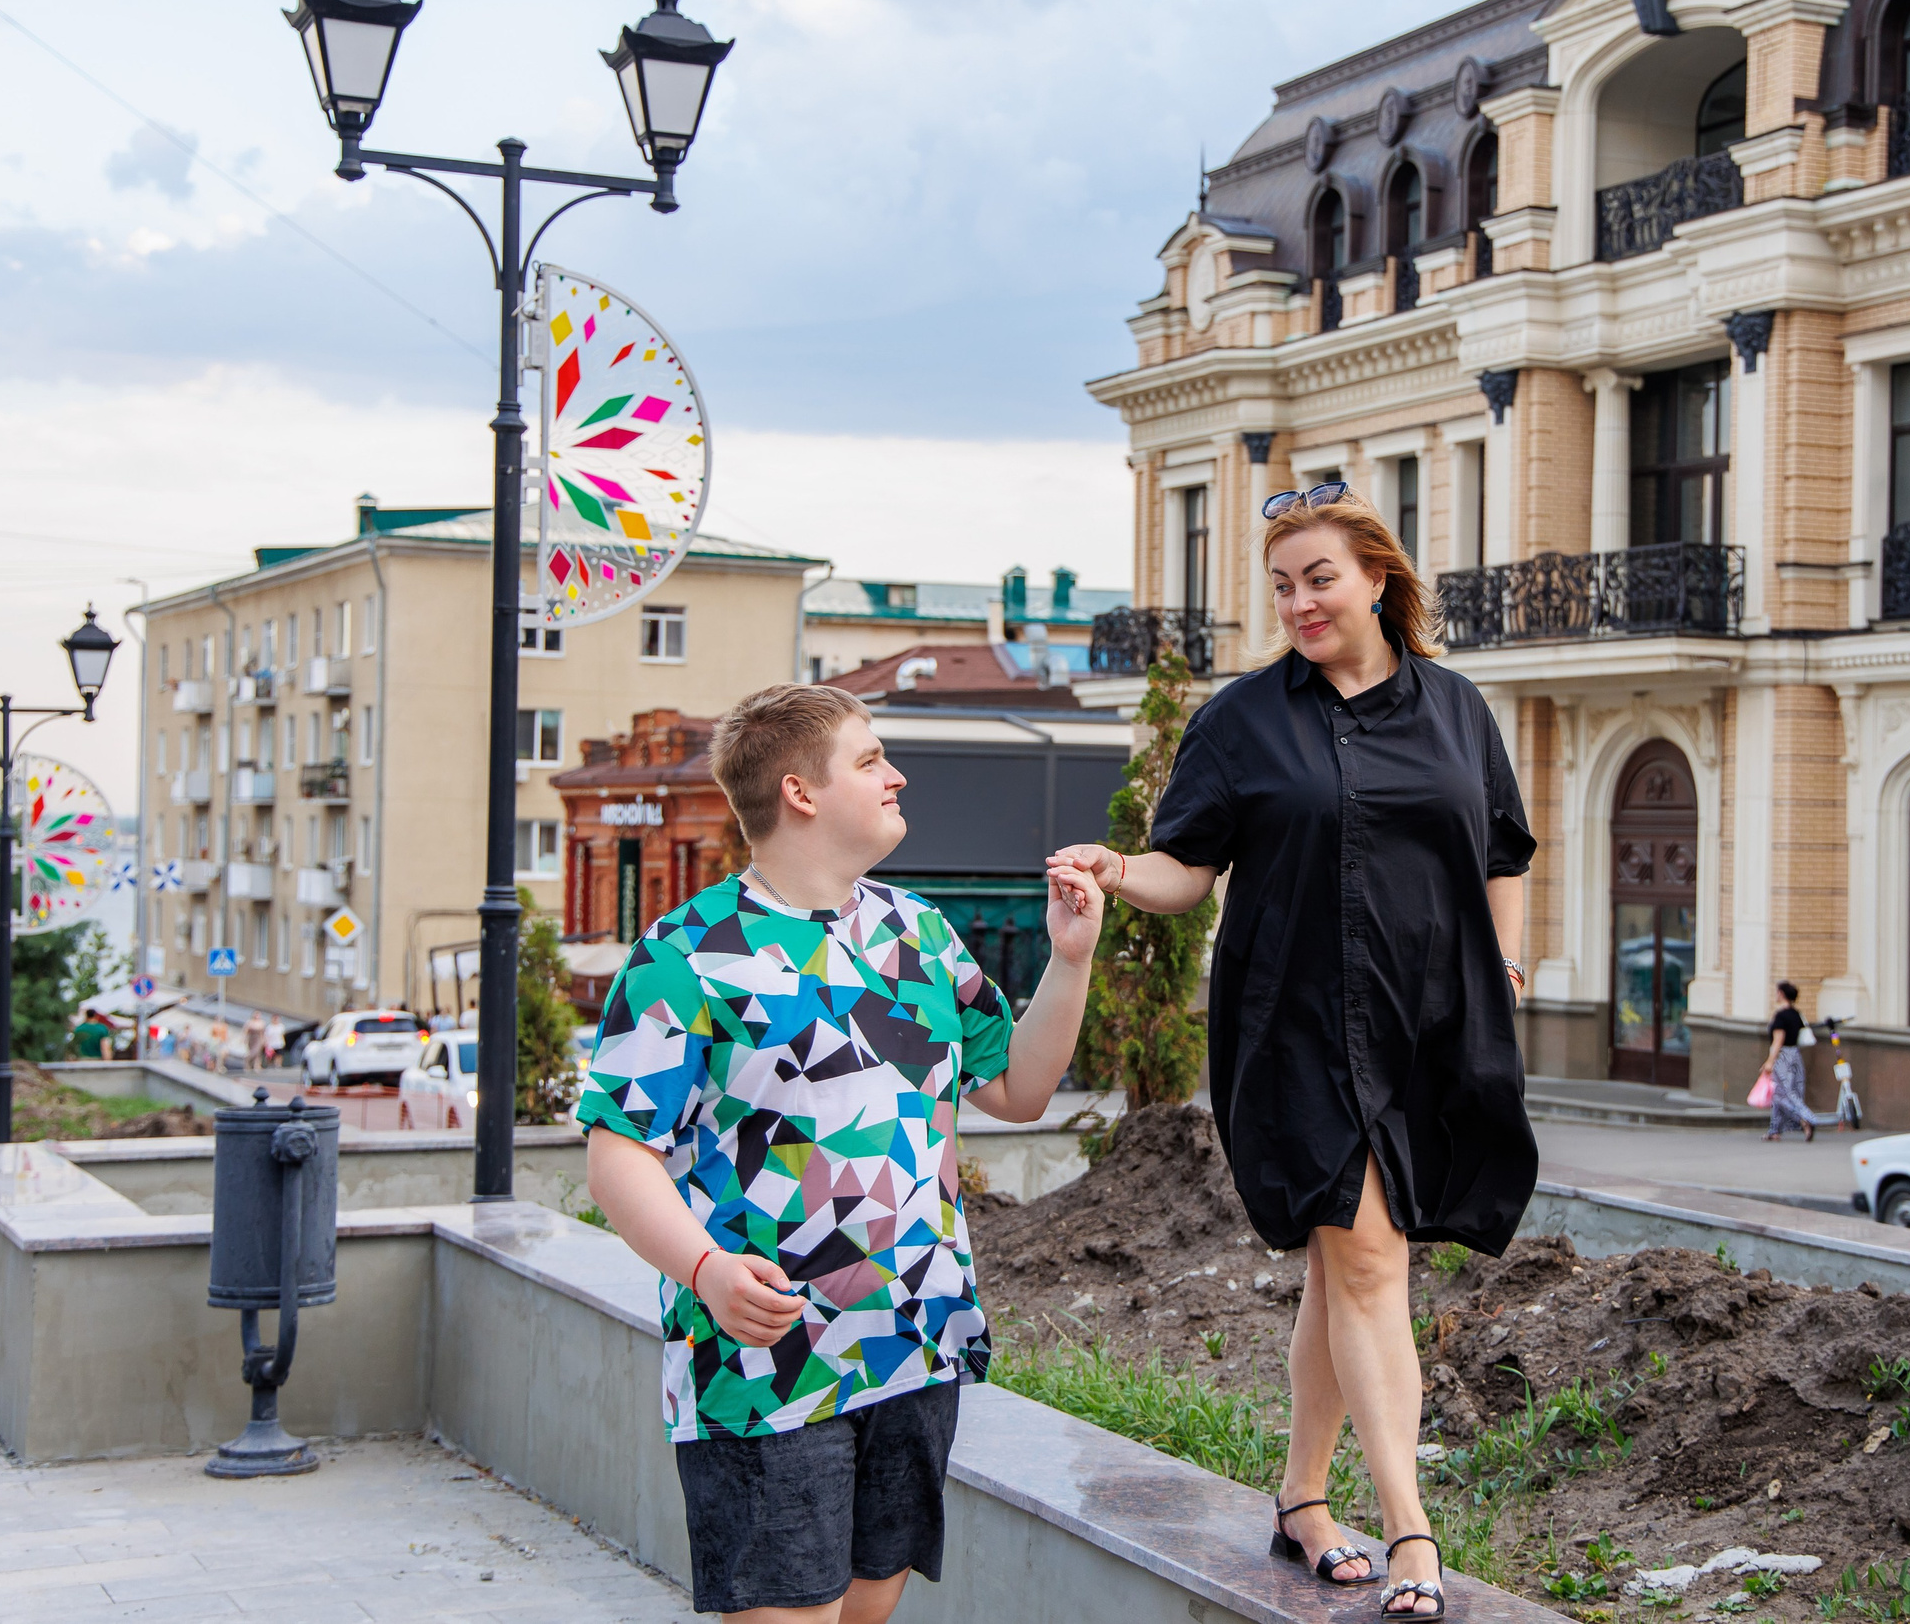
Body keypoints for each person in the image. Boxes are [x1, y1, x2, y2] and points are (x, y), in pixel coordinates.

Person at [1048, 486, 1535, 1621]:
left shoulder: (1458, 709)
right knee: (1370, 1262)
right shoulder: (1243, 720)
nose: (1299, 602)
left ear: (1376, 577)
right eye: (1281, 586)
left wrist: (1504, 973)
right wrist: (1121, 871)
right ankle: (1411, 1526)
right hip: (1295, 1024)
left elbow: (1502, 850)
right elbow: (1185, 870)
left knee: (1341, 1266)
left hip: (1431, 1020)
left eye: (1318, 577)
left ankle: (1301, 1502)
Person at [578, 684, 1104, 1624]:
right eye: (869, 759)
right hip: (764, 1359)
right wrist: (702, 1268)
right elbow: (620, 1151)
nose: (896, 774)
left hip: (912, 1345)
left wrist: (1068, 962)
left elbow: (1019, 1090)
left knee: (864, 1612)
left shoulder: (923, 937)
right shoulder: (686, 953)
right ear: (800, 792)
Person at [1759, 981, 1814, 1143]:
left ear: (1781, 994)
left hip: (1782, 1056)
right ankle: (1774, 1130)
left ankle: (1805, 1118)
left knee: (1780, 1094)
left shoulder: (1781, 1016)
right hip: (1795, 1055)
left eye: (1777, 992)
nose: (1775, 995)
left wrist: (1770, 1061)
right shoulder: (1796, 1014)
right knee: (1787, 1092)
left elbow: (1778, 1040)